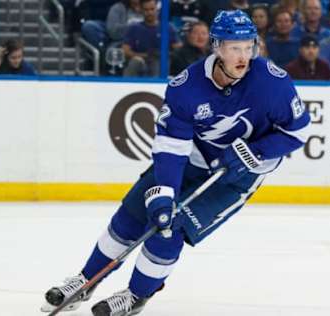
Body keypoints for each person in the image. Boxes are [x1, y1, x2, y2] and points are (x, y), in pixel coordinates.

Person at [41, 9, 310, 316]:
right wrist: (165, 193)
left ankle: (136, 296)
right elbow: (171, 145)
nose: (243, 56)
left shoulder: (272, 83)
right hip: (193, 159)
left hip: (237, 176)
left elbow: (297, 131)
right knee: (135, 211)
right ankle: (86, 280)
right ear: (217, 47)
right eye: (235, 48)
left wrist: (254, 153)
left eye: (248, 47)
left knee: (172, 228)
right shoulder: (187, 86)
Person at [122, 0, 181, 77]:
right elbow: (126, 50)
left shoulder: (168, 27)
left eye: (152, 9)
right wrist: (144, 56)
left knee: (159, 61)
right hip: (141, 62)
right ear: (141, 10)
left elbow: (179, 49)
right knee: (135, 62)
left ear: (157, 9)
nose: (149, 12)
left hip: (161, 64)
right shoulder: (133, 28)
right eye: (146, 10)